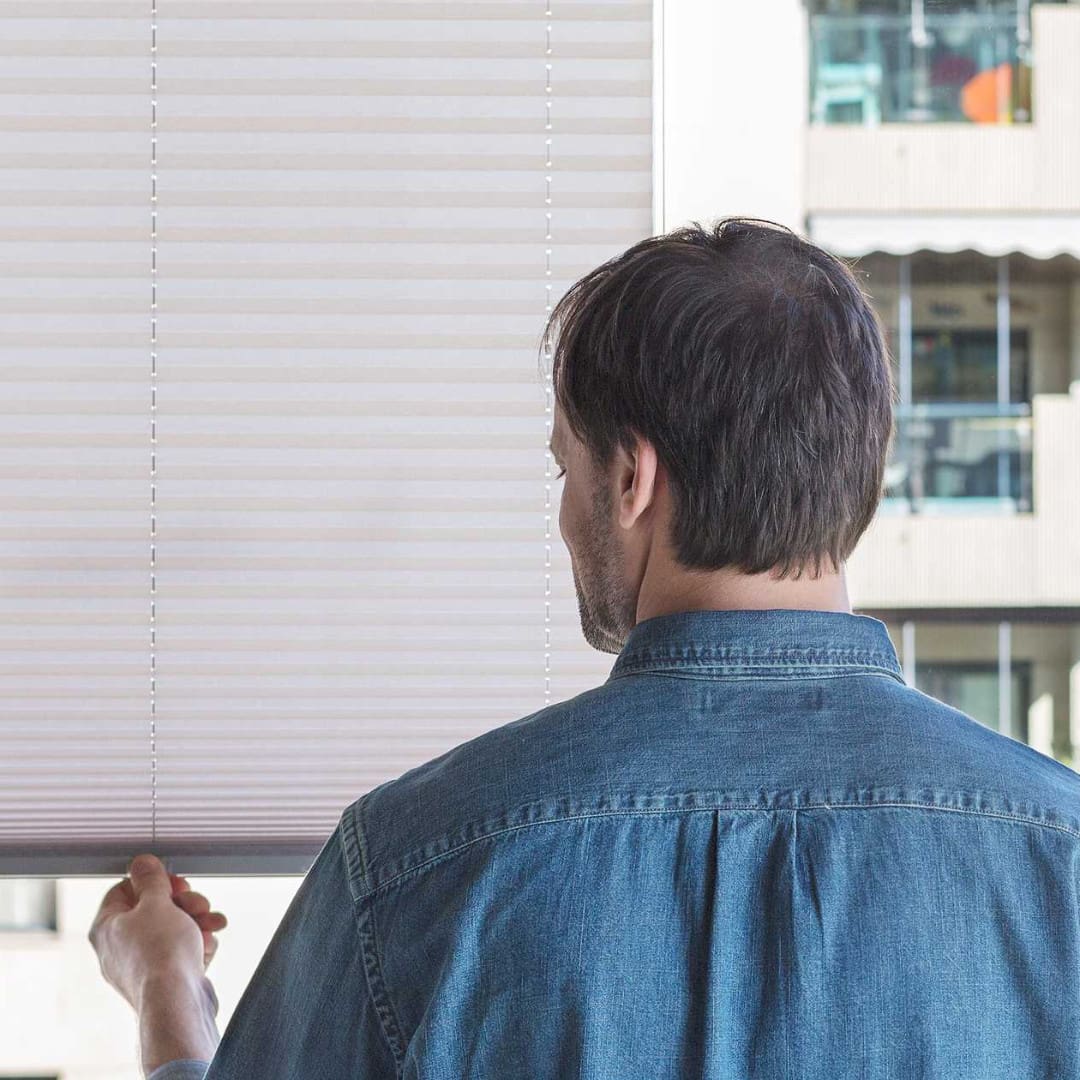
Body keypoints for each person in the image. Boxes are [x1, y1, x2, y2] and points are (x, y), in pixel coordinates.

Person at [89, 219, 1080, 1079]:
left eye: (565, 464)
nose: (562, 509)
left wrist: (168, 991)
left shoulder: (415, 864)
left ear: (632, 480)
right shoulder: (1060, 861)